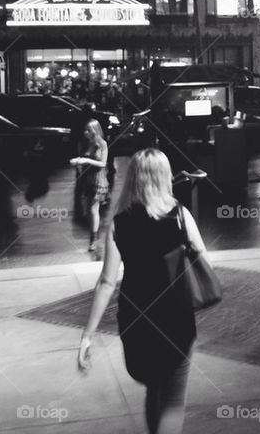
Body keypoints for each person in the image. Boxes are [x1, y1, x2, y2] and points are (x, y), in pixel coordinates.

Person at [78, 149, 206, 434]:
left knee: (153, 391)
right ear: (165, 177)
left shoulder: (120, 223)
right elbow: (202, 258)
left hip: (136, 320)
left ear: (132, 178)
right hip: (176, 319)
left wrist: (87, 335)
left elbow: (107, 283)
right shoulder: (181, 217)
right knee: (173, 402)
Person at [71, 119, 109, 252]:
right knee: (88, 211)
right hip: (87, 180)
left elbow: (103, 163)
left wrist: (87, 160)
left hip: (98, 180)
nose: (85, 132)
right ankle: (95, 232)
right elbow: (81, 159)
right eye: (85, 130)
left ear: (95, 131)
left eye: (88, 130)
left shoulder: (102, 144)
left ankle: (92, 240)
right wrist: (77, 162)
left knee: (93, 210)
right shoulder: (83, 144)